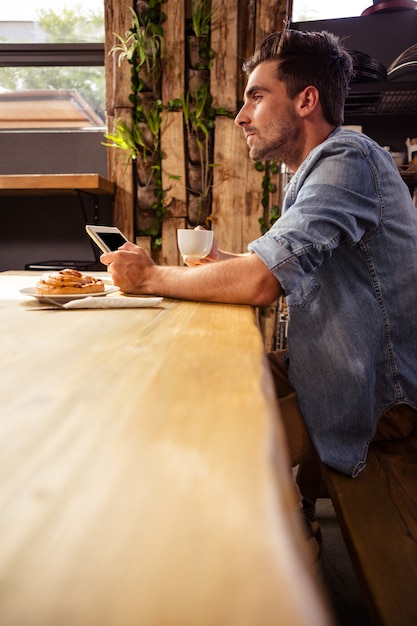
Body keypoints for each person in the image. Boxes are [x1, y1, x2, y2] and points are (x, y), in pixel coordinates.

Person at [102, 29, 417, 493]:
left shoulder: (346, 160)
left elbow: (260, 283)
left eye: (256, 97)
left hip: (375, 397)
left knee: (213, 441)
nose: (240, 117)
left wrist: (149, 277)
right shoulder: (316, 171)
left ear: (306, 100)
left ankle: (289, 557)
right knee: (192, 379)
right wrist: (222, 261)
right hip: (327, 369)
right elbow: (283, 262)